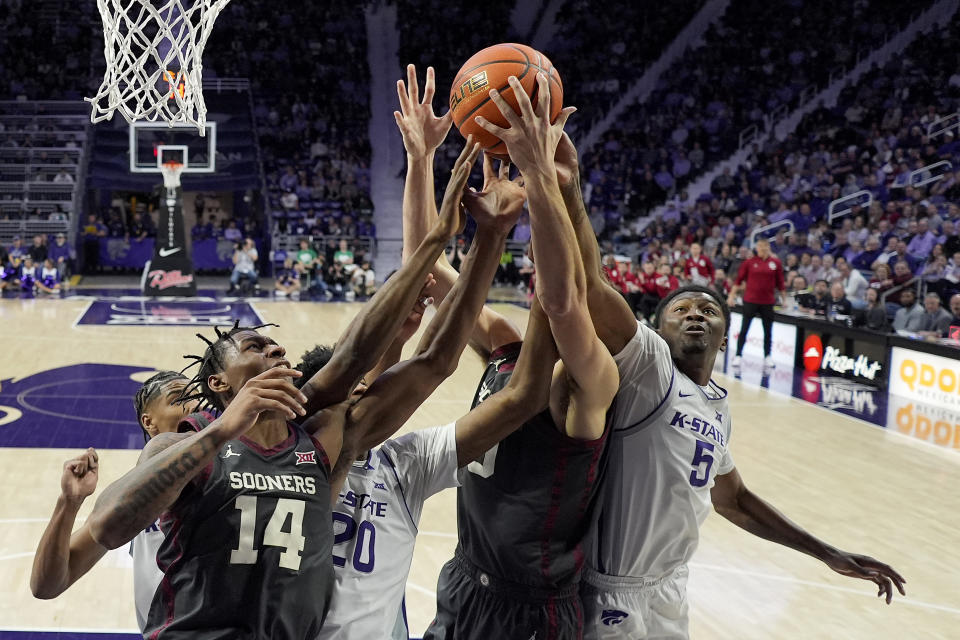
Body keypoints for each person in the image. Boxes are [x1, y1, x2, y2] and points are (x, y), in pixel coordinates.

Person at [503, 128, 904, 638]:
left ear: (724, 335)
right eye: (680, 309)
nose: (695, 314)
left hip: (670, 587)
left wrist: (827, 552)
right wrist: (569, 189)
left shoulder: (717, 405)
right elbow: (589, 281)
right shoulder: (649, 367)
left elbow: (733, 498)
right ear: (656, 328)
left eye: (708, 309)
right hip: (610, 590)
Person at [83, 139, 482, 638]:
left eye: (277, 348)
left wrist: (462, 241)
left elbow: (395, 360)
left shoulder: (321, 436)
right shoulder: (184, 447)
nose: (275, 351)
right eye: (257, 345)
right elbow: (91, 539)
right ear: (217, 383)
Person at [427, 69, 617, 640]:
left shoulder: (590, 382)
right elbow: (428, 272)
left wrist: (542, 180)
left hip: (529, 605)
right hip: (464, 578)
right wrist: (422, 157)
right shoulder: (505, 348)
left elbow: (562, 303)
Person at [314, 150, 527, 638]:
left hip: (533, 562)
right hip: (483, 562)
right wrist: (419, 161)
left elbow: (431, 359)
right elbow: (431, 296)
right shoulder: (289, 451)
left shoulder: (532, 359)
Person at [31, 372, 203, 633]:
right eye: (180, 398)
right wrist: (69, 502)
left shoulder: (239, 475)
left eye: (199, 397)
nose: (195, 406)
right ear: (149, 422)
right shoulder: (131, 498)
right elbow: (46, 586)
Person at [728, 238, 786, 371]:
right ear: (757, 248)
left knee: (768, 331)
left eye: (764, 246)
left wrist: (784, 300)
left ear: (768, 247)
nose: (761, 249)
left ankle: (767, 356)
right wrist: (731, 296)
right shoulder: (749, 262)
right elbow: (738, 280)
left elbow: (780, 283)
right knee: (744, 329)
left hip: (768, 302)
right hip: (750, 300)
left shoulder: (775, 263)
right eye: (759, 246)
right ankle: (738, 355)